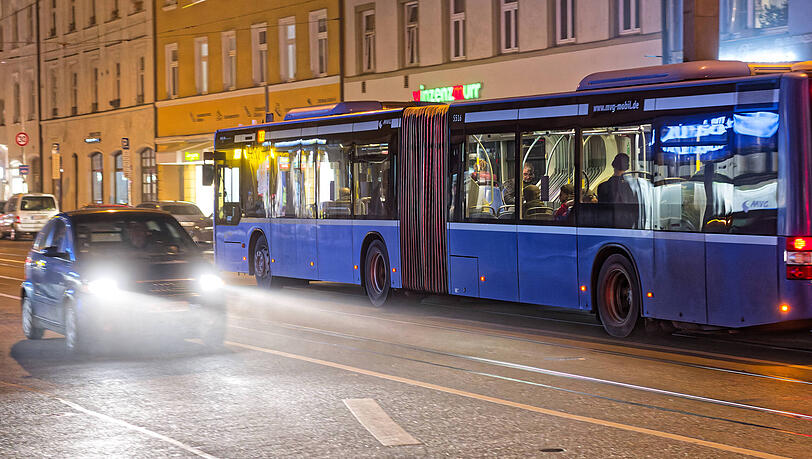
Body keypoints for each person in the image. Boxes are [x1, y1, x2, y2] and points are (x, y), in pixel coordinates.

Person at [596, 153, 638, 227]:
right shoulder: (632, 188)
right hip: (626, 226)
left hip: (606, 225)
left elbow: (600, 211)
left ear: (613, 165)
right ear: (627, 167)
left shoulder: (602, 187)